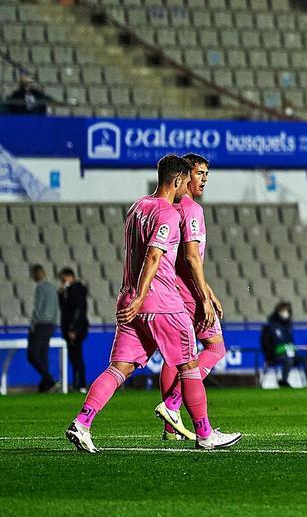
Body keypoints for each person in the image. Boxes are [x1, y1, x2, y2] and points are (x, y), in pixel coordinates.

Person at [66, 155, 241, 453]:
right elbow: (154, 256)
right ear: (176, 180)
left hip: (128, 300)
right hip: (160, 301)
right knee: (189, 365)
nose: (189, 186)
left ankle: (82, 423)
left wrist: (133, 296)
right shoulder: (169, 213)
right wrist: (142, 295)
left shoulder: (136, 208)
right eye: (187, 180)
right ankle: (204, 433)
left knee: (119, 368)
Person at [157, 153, 228, 441]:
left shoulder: (168, 208)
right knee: (215, 347)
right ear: (185, 176)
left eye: (206, 174)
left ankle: (170, 427)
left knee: (174, 357)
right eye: (199, 173)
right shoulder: (191, 210)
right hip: (187, 292)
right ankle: (173, 404)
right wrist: (203, 296)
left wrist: (207, 287)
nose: (204, 180)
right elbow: (191, 257)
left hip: (171, 289)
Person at [260, 302, 307, 387]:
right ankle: (284, 381)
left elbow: (291, 342)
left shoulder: (288, 326)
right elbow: (265, 343)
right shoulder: (270, 327)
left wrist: (292, 350)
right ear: (278, 312)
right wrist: (272, 353)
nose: (286, 313)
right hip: (275, 355)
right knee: (288, 360)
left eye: (287, 311)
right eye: (283, 311)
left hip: (289, 353)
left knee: (304, 359)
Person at [57, 268, 89, 392]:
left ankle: (81, 384)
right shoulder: (69, 290)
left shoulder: (76, 289)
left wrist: (73, 328)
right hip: (73, 327)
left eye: (63, 278)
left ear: (69, 276)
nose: (62, 281)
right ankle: (77, 384)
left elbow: (77, 310)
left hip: (76, 328)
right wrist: (61, 294)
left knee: (77, 356)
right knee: (73, 357)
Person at [28, 264, 59, 393]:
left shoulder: (40, 288)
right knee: (43, 355)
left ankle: (50, 380)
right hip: (51, 325)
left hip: (40, 324)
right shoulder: (53, 287)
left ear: (37, 273)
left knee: (32, 355)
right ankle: (45, 386)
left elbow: (38, 308)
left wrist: (32, 324)